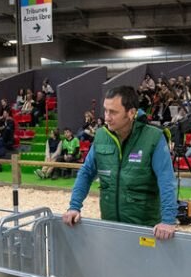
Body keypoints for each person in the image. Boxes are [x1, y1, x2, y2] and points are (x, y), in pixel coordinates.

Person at [62, 85, 177, 240]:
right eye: (106, 110)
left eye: (114, 112)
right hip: (110, 226)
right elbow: (87, 172)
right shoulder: (101, 136)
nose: (107, 117)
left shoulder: (154, 138)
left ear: (131, 113)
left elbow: (166, 180)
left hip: (145, 230)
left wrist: (168, 221)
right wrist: (74, 206)